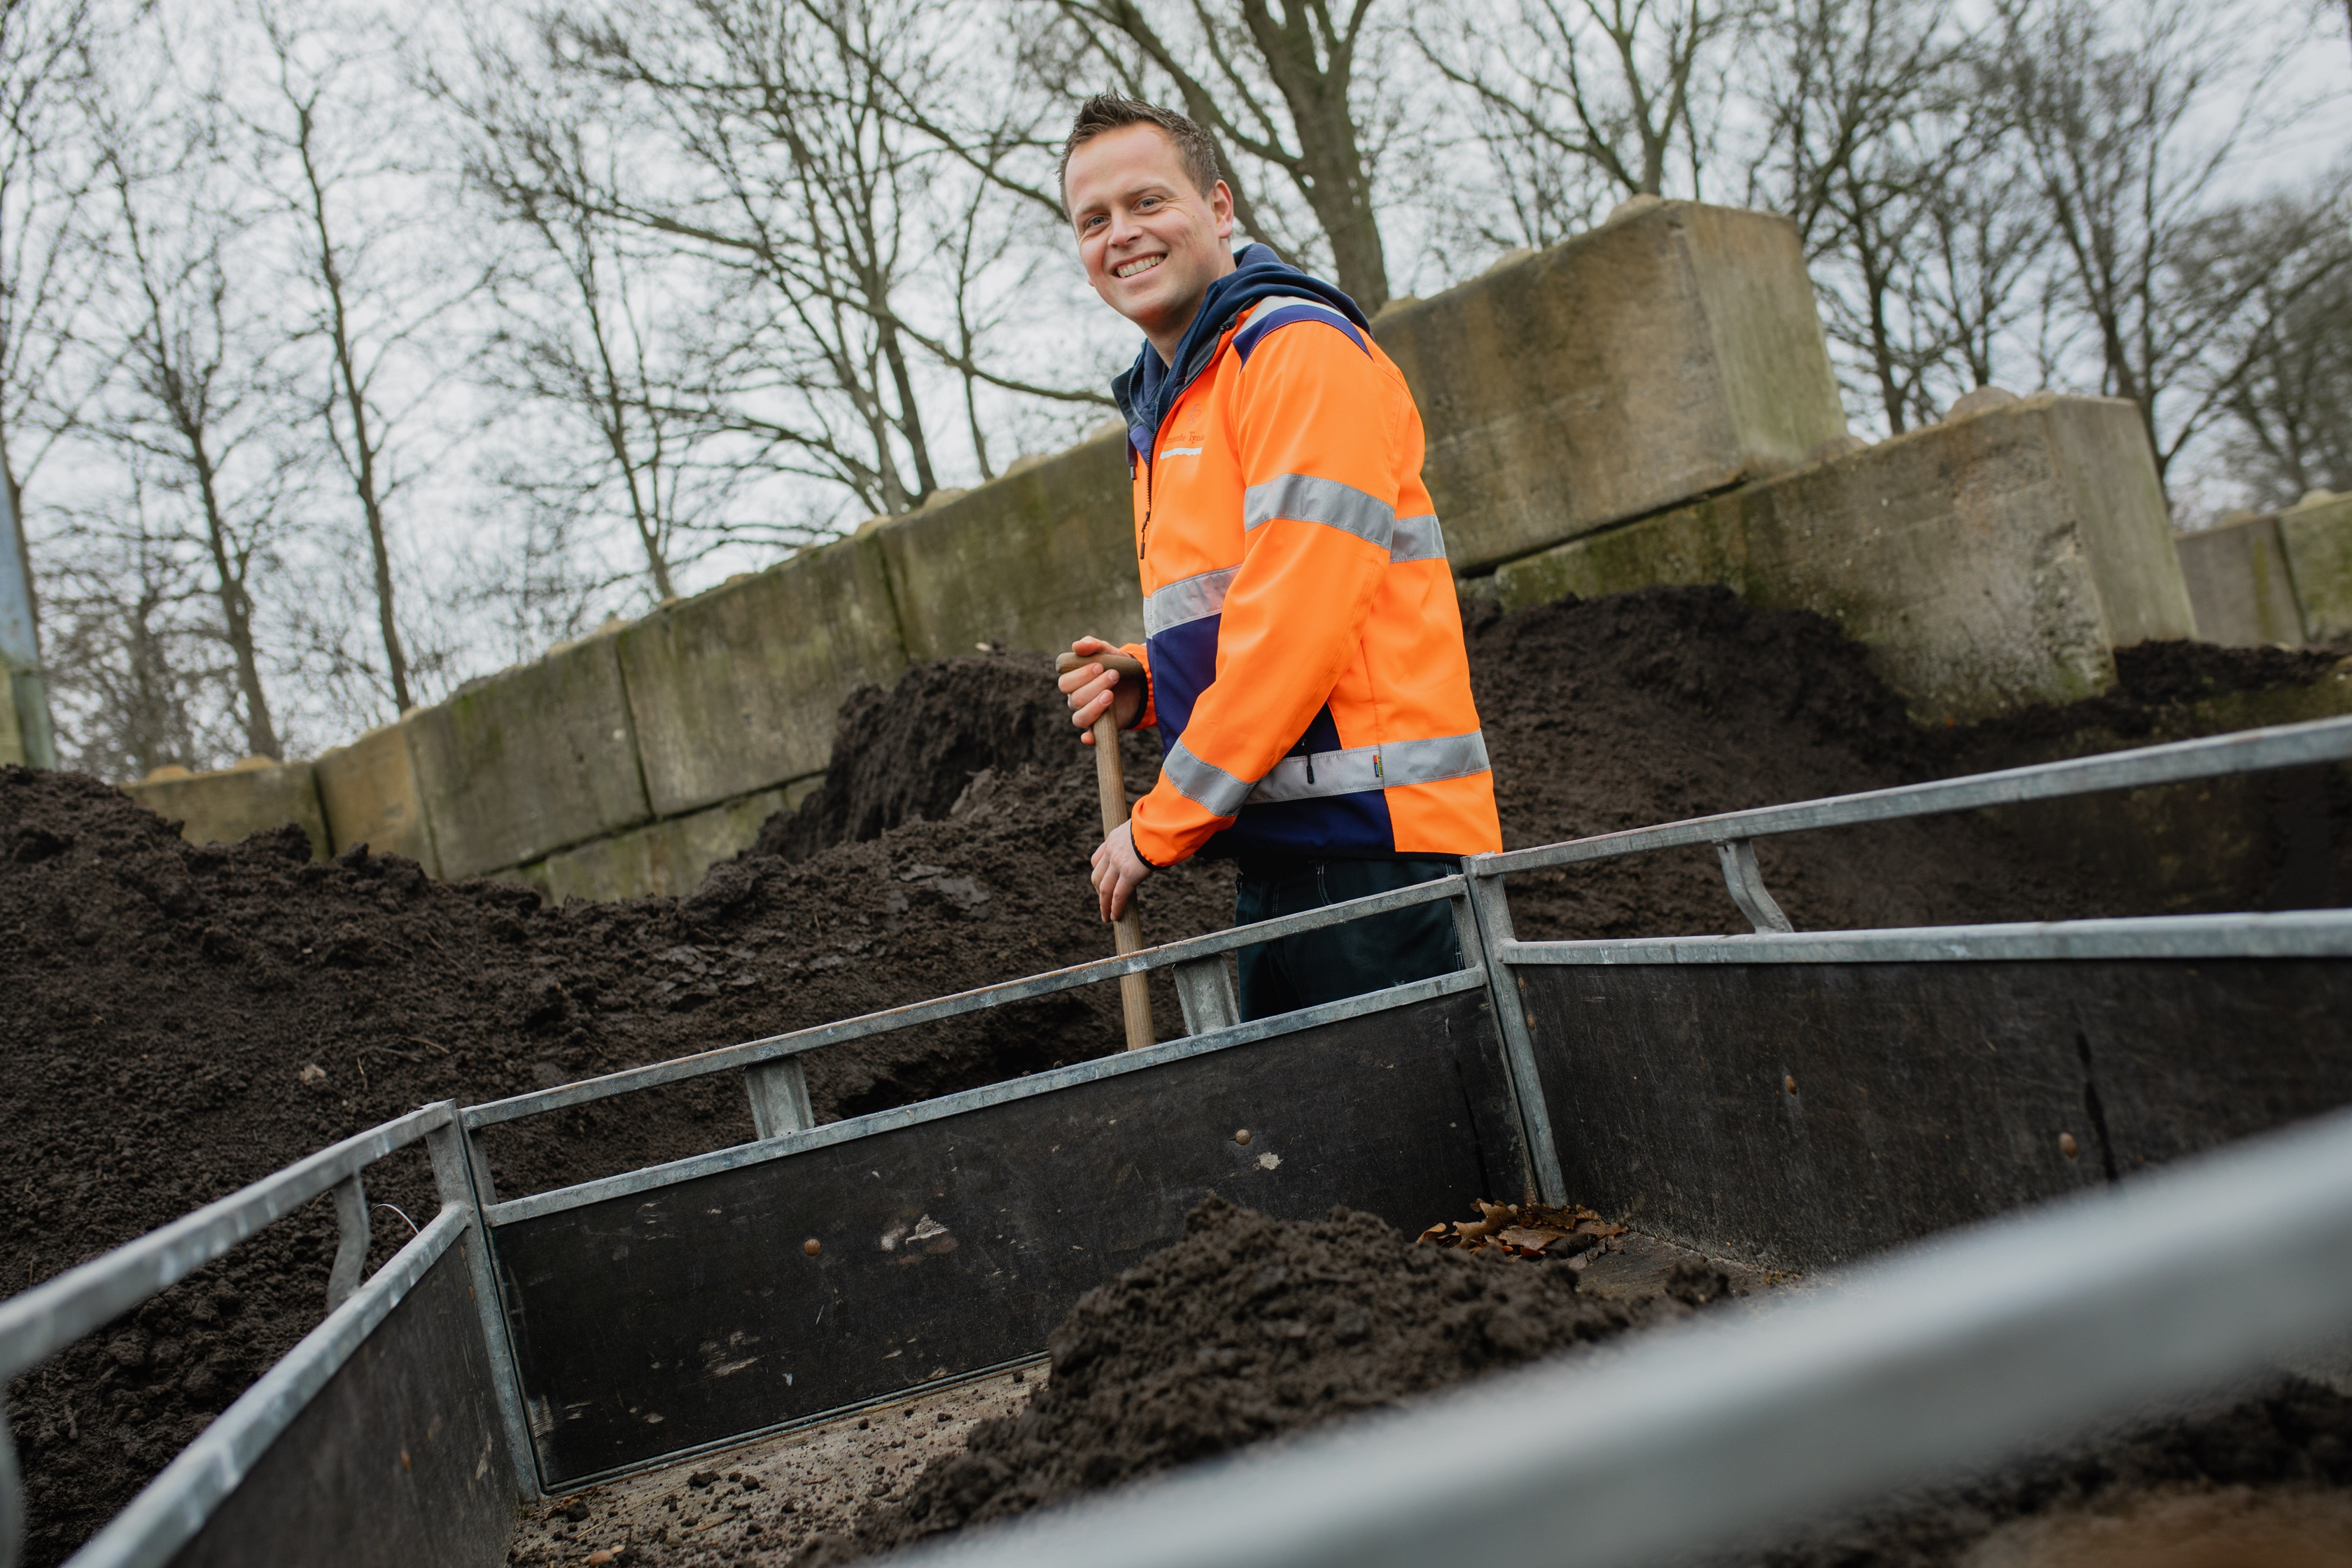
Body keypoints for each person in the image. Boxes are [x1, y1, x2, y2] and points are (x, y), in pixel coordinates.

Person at [1054, 94, 1502, 1022]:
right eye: (1094, 220)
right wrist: (1153, 686)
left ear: (1220, 208)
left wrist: (1162, 824)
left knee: (1419, 1158)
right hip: (1292, 855)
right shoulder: (1180, 397)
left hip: (1375, 856)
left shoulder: (1293, 352)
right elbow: (1246, 604)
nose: (1122, 236)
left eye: (1148, 203)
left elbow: (1297, 627)